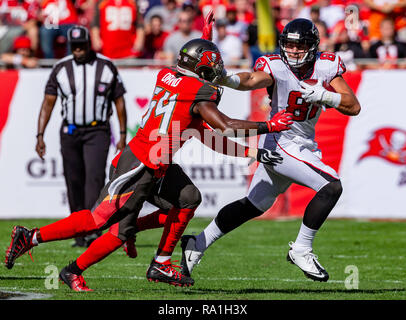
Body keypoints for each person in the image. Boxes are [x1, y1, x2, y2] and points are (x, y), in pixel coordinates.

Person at [5, 38, 293, 289]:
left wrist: (250, 154)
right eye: (212, 64)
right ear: (199, 66)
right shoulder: (197, 92)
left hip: (158, 160)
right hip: (140, 164)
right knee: (99, 222)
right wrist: (270, 125)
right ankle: (31, 237)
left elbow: (203, 133)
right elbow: (227, 126)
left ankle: (160, 262)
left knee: (188, 198)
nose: (217, 71)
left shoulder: (169, 75)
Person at [180, 18, 361, 283]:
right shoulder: (275, 65)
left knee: (251, 206)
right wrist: (227, 78)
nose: (294, 51)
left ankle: (197, 243)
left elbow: (352, 106)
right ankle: (301, 248)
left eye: (300, 46)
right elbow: (251, 79)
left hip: (303, 145)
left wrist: (325, 96)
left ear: (313, 46)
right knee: (331, 186)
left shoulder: (327, 65)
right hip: (281, 143)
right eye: (289, 45)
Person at [35, 25, 128, 247]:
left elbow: (119, 102)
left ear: (89, 44)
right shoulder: (60, 68)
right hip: (70, 131)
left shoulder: (106, 66)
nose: (78, 50)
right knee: (73, 181)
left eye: (82, 45)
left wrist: (123, 133)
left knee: (94, 179)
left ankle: (92, 228)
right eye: (74, 46)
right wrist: (40, 134)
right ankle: (77, 232)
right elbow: (48, 103)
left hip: (98, 130)